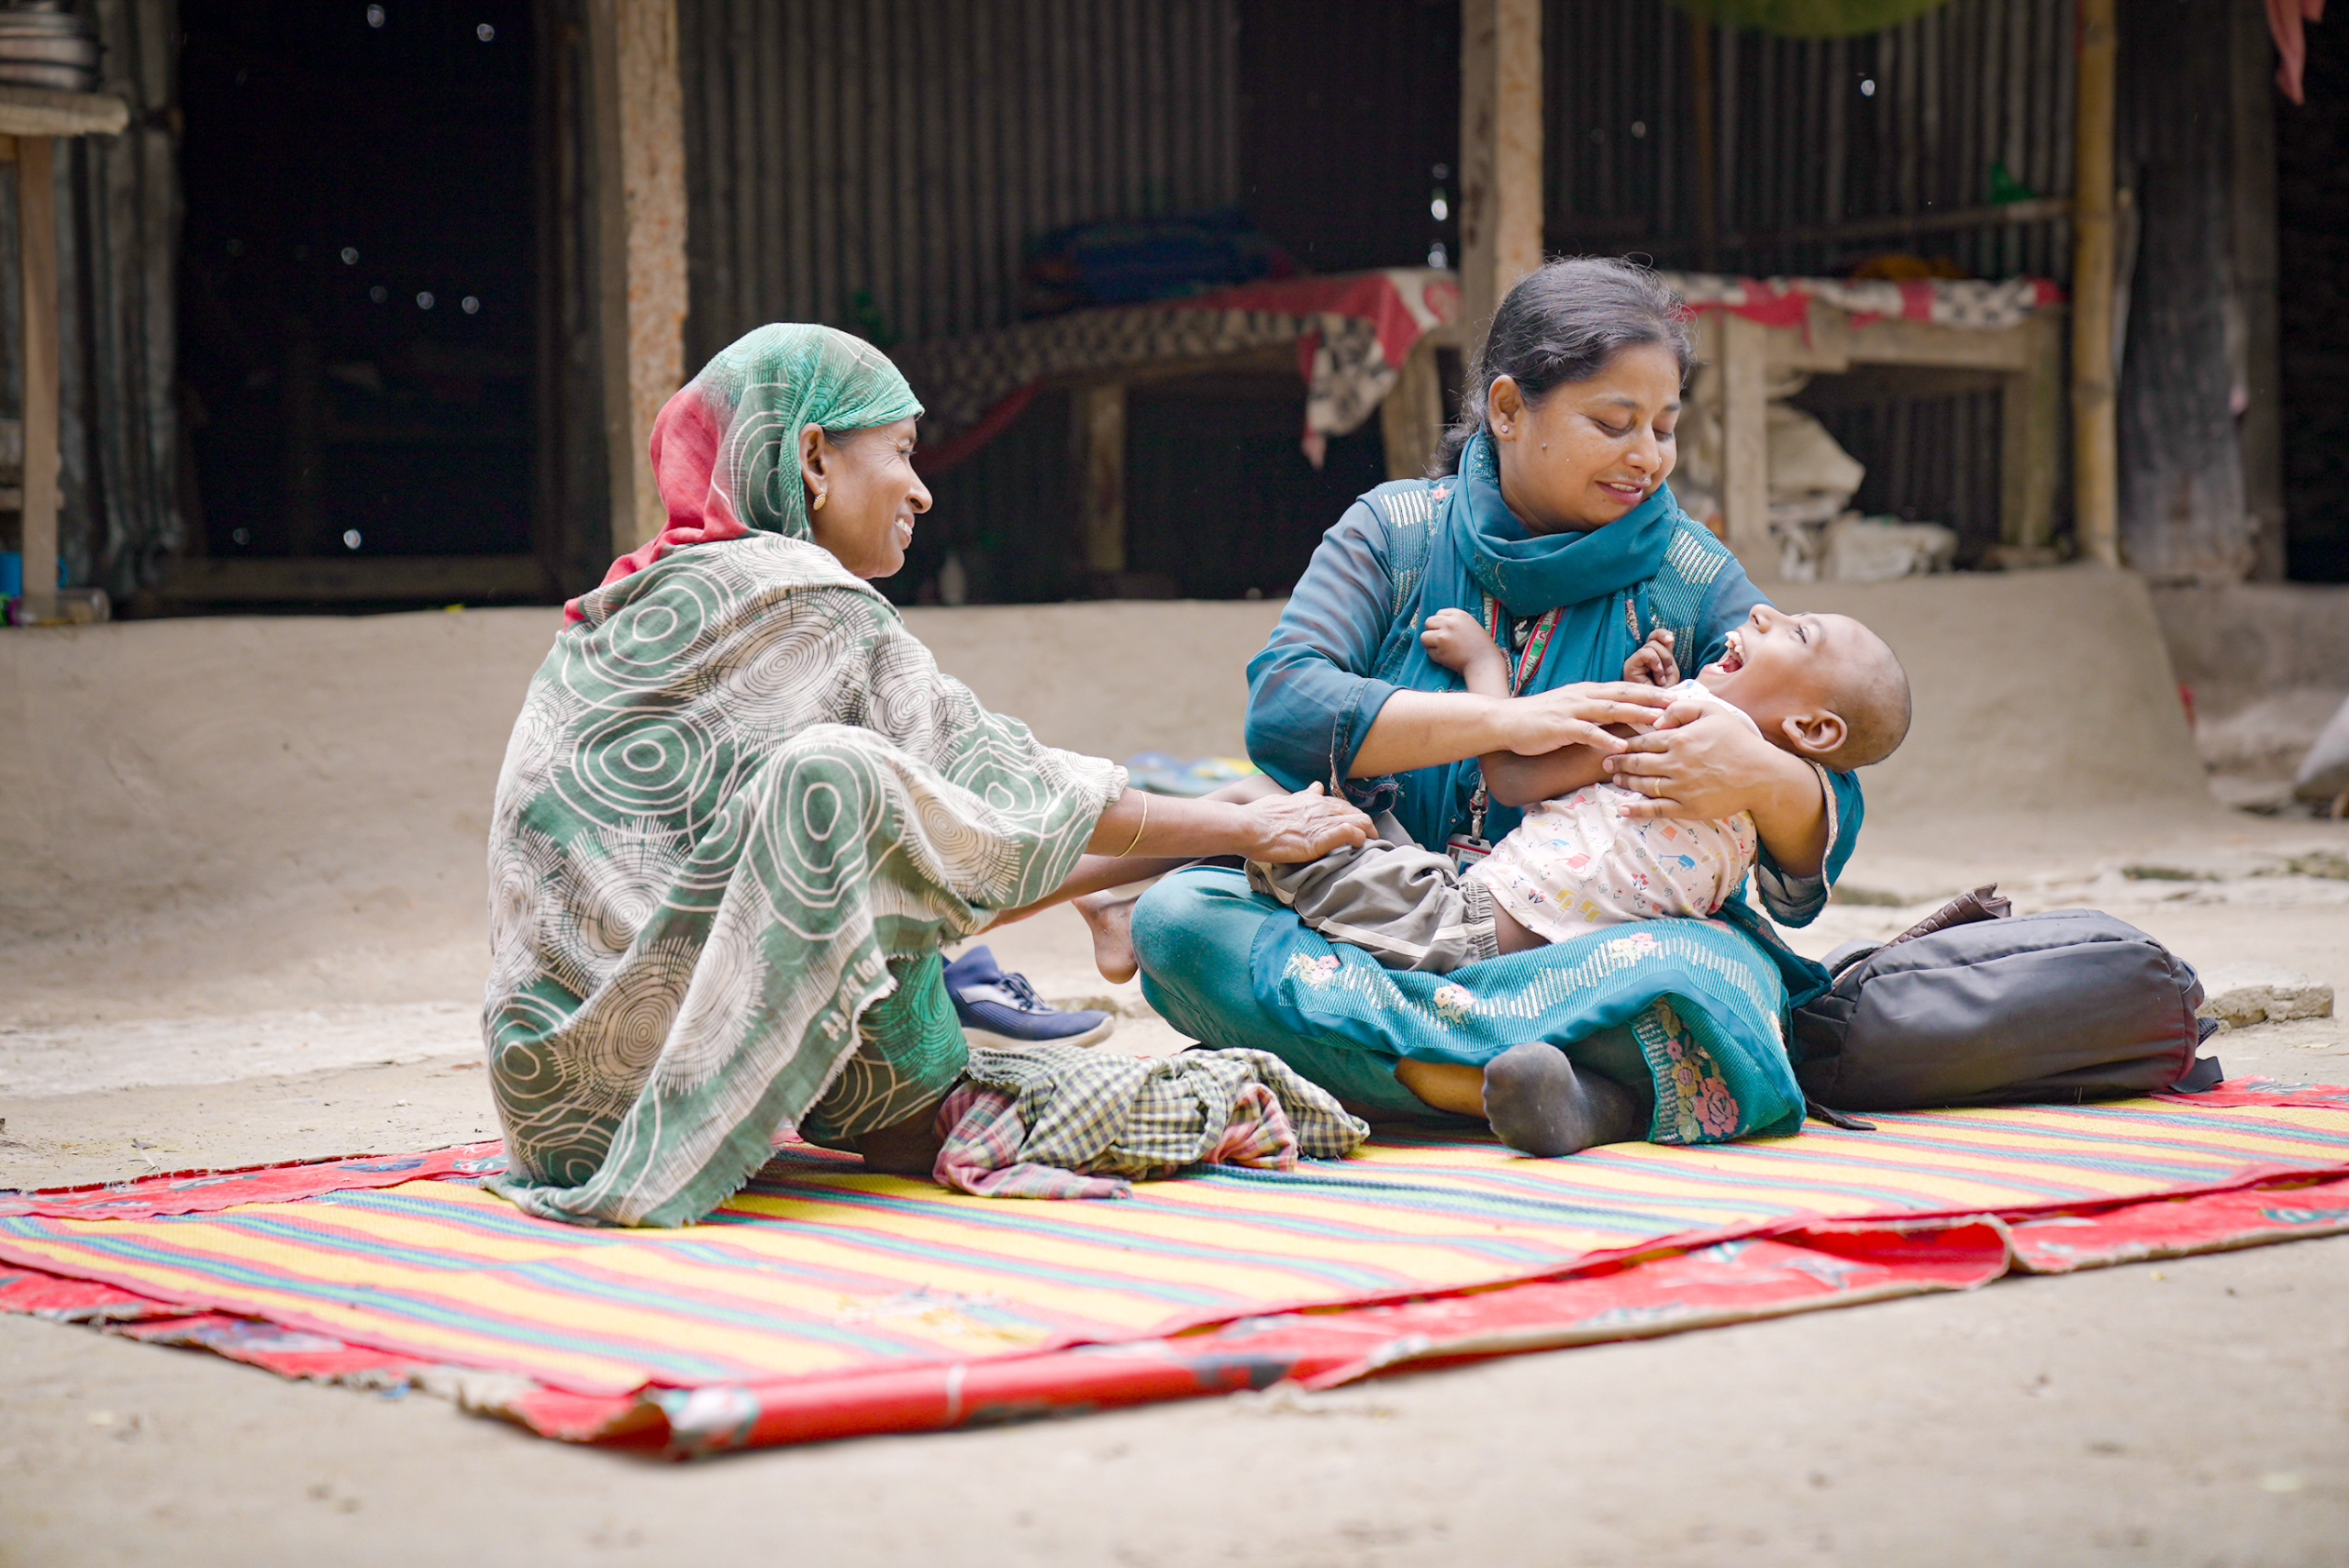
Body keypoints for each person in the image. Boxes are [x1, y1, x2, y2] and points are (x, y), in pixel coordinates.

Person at [483, 324, 1368, 1227]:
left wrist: (1194, 829)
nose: (922, 488)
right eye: (902, 451)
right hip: (646, 1087)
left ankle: (1106, 899)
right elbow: (1005, 780)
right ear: (814, 460)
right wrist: (1250, 826)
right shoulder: (804, 598)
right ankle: (933, 1112)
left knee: (863, 825)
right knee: (840, 778)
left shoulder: (626, 607)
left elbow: (880, 863)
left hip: (554, 1103)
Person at [1107, 258, 1870, 1158]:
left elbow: (1824, 746)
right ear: (1507, 408)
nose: (1649, 456)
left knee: (1713, 968)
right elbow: (1285, 706)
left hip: (1591, 952)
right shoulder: (1393, 532)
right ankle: (1553, 1090)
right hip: (1386, 919)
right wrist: (1505, 720)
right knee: (1183, 921)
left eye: (1664, 428)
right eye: (1613, 424)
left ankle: (1388, 1067)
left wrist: (1765, 776)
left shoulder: (1690, 576)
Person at [1243, 600, 1909, 1152]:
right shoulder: (1747, 791)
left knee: (1282, 818)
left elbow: (1511, 776)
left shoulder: (1689, 720)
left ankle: (1448, 1074)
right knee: (1318, 826)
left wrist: (1484, 664)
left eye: (1798, 633)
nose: (1764, 611)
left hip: (1458, 924)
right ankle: (1554, 1092)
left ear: (1812, 728)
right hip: (1523, 947)